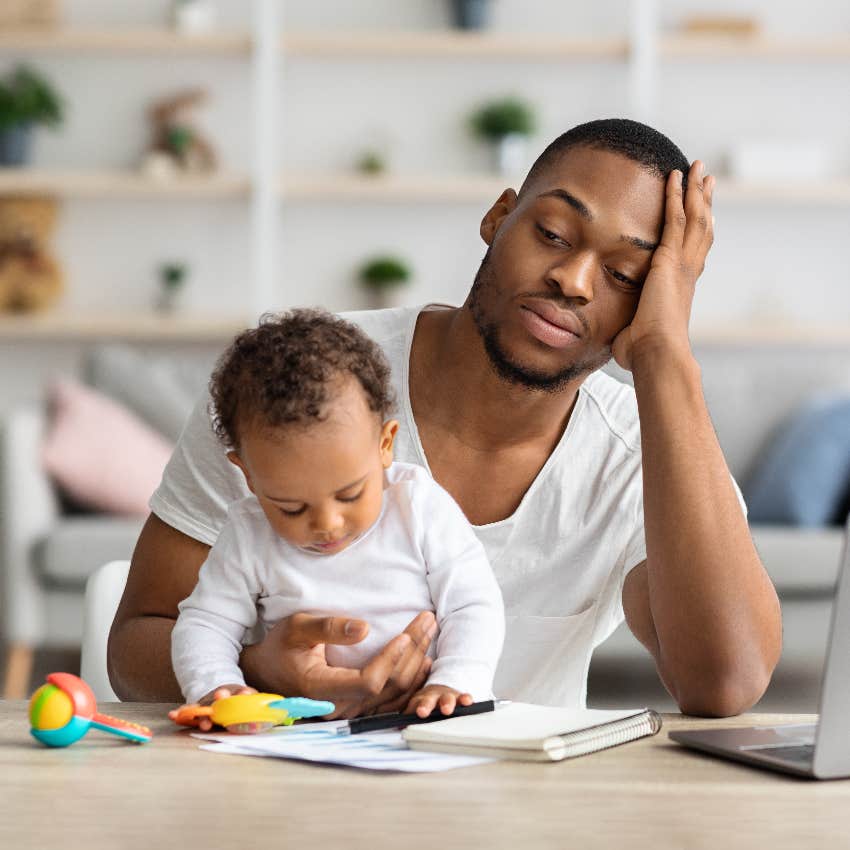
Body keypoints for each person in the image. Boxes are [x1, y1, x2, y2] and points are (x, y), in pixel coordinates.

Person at [109, 118, 782, 717]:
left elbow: (723, 683)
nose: (574, 280)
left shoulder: (642, 453)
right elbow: (135, 643)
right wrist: (260, 672)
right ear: (499, 217)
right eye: (552, 233)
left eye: (626, 276)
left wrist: (666, 354)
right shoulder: (288, 386)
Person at [170, 310, 504, 718]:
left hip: (416, 721)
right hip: (302, 728)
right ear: (248, 476)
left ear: (385, 444)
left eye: (350, 494)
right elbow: (205, 623)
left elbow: (473, 603)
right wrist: (217, 686)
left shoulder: (416, 505)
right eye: (291, 507)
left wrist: (454, 680)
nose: (326, 524)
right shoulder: (250, 532)